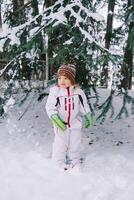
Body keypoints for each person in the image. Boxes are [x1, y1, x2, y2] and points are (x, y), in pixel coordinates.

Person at [45, 64, 93, 170]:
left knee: (74, 144)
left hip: (75, 123)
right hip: (61, 124)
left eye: (66, 78)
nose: (62, 80)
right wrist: (55, 118)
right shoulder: (55, 92)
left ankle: (74, 161)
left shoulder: (78, 92)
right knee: (60, 144)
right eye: (59, 78)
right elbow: (49, 106)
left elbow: (83, 105)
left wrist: (88, 115)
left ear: (71, 79)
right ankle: (58, 162)